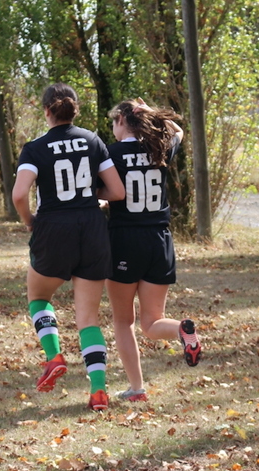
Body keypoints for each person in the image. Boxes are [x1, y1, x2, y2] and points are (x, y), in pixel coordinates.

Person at [12, 83, 125, 411]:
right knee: (88, 318)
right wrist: (87, 196)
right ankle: (99, 391)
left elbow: (19, 194)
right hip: (91, 228)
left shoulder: (35, 148)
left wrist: (28, 220)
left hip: (52, 228)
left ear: (47, 111)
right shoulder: (93, 140)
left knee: (39, 298)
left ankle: (54, 356)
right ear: (75, 108)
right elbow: (116, 192)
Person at [105, 98, 202, 403]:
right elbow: (177, 131)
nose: (112, 128)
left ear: (122, 120)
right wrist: (148, 113)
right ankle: (182, 330)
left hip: (124, 240)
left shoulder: (110, 154)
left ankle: (136, 388)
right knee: (152, 321)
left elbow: (106, 190)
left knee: (124, 322)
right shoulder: (158, 148)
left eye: (114, 121)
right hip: (159, 240)